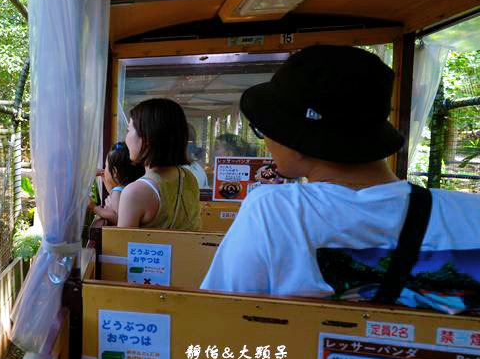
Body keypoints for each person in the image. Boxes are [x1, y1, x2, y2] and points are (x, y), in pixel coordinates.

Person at [201, 45, 480, 312]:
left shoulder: (275, 208)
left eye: (265, 130)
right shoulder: (471, 213)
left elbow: (220, 314)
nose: (268, 142)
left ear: (297, 140)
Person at [118, 98, 201, 230]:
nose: (126, 138)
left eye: (129, 130)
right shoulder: (189, 178)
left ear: (146, 139)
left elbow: (122, 246)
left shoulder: (135, 193)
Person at [88, 142, 144, 226]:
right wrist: (104, 175)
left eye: (106, 166)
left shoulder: (117, 192)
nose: (104, 169)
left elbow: (117, 218)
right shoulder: (127, 188)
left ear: (114, 172)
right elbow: (111, 192)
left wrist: (94, 207)